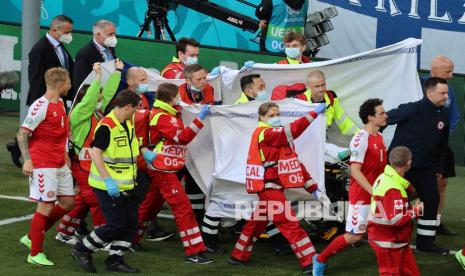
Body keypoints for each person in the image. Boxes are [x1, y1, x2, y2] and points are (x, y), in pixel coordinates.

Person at [228, 102, 325, 274]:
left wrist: (312, 187)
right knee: (289, 223)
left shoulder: (278, 136)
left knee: (256, 223)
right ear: (262, 118)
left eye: (278, 114)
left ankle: (237, 255)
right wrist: (312, 114)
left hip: (270, 187)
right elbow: (292, 131)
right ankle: (310, 262)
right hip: (268, 187)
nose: (276, 118)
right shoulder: (266, 133)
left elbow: (294, 163)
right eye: (271, 116)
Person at [313, 98, 388, 276]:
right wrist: (373, 192)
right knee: (354, 236)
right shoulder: (360, 139)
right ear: (370, 117)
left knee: (386, 229)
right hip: (363, 195)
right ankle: (320, 259)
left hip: (377, 193)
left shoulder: (380, 137)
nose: (386, 115)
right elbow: (355, 171)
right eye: (382, 113)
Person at [70, 90, 141, 273]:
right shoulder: (107, 126)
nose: (136, 112)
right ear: (128, 107)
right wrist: (108, 181)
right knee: (115, 225)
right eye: (136, 108)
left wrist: (144, 152)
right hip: (108, 186)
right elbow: (95, 153)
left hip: (127, 184)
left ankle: (115, 260)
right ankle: (81, 249)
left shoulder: (126, 122)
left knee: (131, 225)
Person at [143, 83, 213, 264]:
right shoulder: (163, 117)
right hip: (162, 168)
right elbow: (182, 138)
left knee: (150, 205)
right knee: (183, 208)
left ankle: (126, 239)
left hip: (166, 167)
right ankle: (194, 251)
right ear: (172, 98)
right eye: (177, 96)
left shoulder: (170, 113)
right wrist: (200, 119)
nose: (179, 99)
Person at [55, 61, 123, 244]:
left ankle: (64, 231)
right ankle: (103, 237)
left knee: (83, 202)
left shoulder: (97, 112)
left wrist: (117, 72)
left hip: (91, 164)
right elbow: (90, 100)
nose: (101, 100)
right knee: (95, 200)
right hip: (83, 166)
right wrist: (98, 78)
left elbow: (108, 94)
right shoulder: (78, 114)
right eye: (97, 97)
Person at [18, 67, 75, 266]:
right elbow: (22, 134)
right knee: (45, 206)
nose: (70, 85)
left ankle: (33, 235)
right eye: (68, 82)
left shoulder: (60, 103)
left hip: (59, 161)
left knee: (68, 202)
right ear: (60, 85)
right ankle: (34, 253)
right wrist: (27, 160)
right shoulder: (40, 106)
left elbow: (61, 133)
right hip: (43, 164)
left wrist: (65, 153)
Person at [386, 77, 450, 254]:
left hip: (426, 168)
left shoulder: (444, 114)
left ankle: (425, 242)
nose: (446, 96)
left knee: (431, 200)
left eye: (447, 92)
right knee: (397, 204)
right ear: (429, 93)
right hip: (401, 170)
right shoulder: (411, 109)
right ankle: (390, 239)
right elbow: (384, 120)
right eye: (442, 93)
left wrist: (438, 169)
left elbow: (442, 145)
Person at [420, 56, 459, 236]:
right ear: (434, 70)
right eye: (447, 71)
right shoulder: (417, 84)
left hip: (440, 146)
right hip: (419, 146)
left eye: (452, 71)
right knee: (412, 186)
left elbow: (454, 116)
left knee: (441, 184)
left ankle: (436, 222)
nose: (451, 75)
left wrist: (442, 135)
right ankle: (408, 215)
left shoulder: (449, 90)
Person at [368, 146, 422, 276]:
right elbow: (393, 219)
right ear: (409, 163)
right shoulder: (393, 188)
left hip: (395, 242)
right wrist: (416, 210)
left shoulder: (384, 177)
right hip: (389, 243)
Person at [27, 15, 75, 105]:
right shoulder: (39, 50)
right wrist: (42, 105)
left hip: (59, 100)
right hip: (46, 103)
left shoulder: (60, 46)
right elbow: (36, 80)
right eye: (66, 32)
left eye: (70, 32)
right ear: (54, 30)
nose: (69, 35)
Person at [73, 19, 117, 91]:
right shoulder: (84, 54)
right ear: (98, 35)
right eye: (110, 34)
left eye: (114, 34)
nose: (113, 37)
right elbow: (79, 84)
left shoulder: (110, 46)